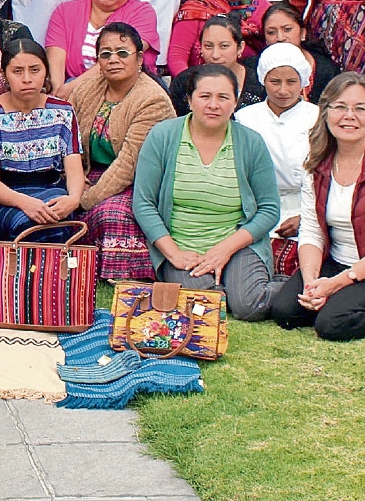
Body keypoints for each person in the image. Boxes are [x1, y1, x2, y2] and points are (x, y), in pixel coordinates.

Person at [133, 63, 283, 321]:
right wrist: (173, 253)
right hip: (182, 246)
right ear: (189, 100)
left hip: (235, 243)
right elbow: (143, 202)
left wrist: (224, 250)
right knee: (206, 306)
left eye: (223, 97)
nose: (214, 104)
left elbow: (269, 209)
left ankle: (291, 287)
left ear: (235, 102)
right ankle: (222, 286)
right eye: (205, 96)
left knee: (249, 305)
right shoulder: (163, 136)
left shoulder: (251, 142)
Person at [69, 23, 174, 281]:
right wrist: (74, 181)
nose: (113, 59)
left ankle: (123, 273)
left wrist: (83, 199)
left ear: (139, 58)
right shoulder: (88, 87)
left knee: (113, 213)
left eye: (122, 53)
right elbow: (67, 136)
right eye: (105, 54)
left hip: (139, 181)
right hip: (88, 174)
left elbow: (128, 164)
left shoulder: (152, 99)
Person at [272, 72, 365, 341]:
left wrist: (336, 284)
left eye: (360, 109)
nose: (349, 116)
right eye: (340, 107)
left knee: (332, 324)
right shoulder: (317, 164)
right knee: (285, 311)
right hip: (337, 260)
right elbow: (311, 230)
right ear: (325, 112)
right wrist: (312, 282)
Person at [0, 39, 85, 242]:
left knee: (54, 218)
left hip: (51, 191)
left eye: (35, 70)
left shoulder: (62, 112)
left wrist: (73, 199)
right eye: (17, 71)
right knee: (31, 224)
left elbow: (74, 169)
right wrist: (25, 203)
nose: (27, 79)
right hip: (7, 198)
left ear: (46, 72)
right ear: (4, 74)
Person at [236, 42, 320, 279]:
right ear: (263, 79)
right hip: (257, 207)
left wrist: (305, 218)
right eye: (275, 82)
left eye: (291, 82)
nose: (283, 90)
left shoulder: (317, 118)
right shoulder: (245, 118)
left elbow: (325, 175)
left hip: (306, 206)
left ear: (303, 81)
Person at [44, 0, 160, 96]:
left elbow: (120, 58)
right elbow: (56, 65)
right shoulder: (65, 11)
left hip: (127, 91)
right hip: (70, 91)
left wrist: (72, 89)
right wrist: (58, 94)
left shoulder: (143, 13)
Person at [170, 16, 265, 115]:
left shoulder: (259, 83)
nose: (215, 55)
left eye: (224, 46)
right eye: (208, 46)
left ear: (240, 47)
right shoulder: (184, 82)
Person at [260, 3, 338, 102]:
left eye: (287, 29)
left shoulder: (326, 70)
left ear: (303, 33)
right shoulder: (253, 69)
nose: (280, 38)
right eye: (271, 32)